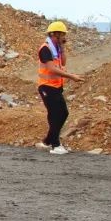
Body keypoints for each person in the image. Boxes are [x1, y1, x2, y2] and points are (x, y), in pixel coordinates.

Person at [36, 21, 84, 155]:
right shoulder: (45, 48)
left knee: (59, 114)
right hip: (47, 87)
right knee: (58, 114)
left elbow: (63, 62)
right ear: (54, 34)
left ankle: (47, 142)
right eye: (62, 35)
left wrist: (62, 47)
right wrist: (71, 76)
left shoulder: (55, 48)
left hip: (56, 87)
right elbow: (51, 69)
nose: (64, 37)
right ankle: (55, 145)